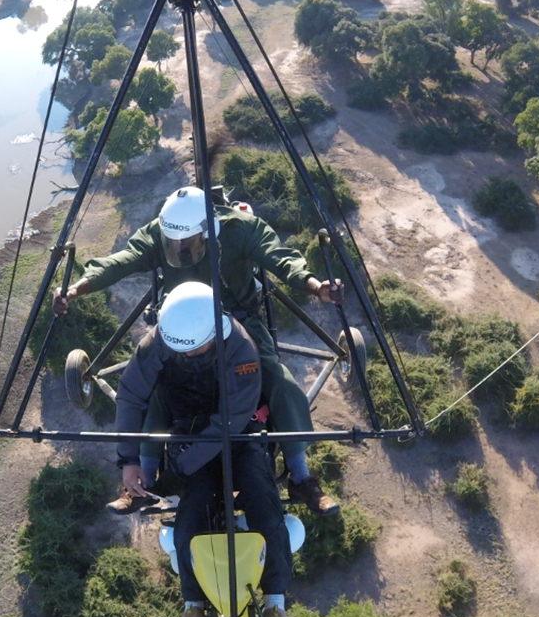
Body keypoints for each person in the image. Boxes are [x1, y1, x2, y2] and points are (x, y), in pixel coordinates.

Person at [56, 186, 341, 517]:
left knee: (278, 380)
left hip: (237, 322)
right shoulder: (163, 233)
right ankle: (142, 482)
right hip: (179, 326)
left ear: (210, 232)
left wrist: (315, 286)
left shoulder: (240, 229)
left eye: (186, 243)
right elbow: (123, 260)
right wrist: (77, 288)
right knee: (156, 387)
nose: (178, 248)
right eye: (172, 243)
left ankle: (301, 475)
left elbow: (281, 258)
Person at [115, 281, 292, 617]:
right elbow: (130, 396)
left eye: (198, 350)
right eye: (184, 352)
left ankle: (275, 604)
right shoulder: (159, 342)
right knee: (191, 512)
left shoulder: (241, 349)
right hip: (189, 433)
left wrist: (179, 469)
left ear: (215, 333)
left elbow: (230, 421)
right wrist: (128, 459)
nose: (191, 357)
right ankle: (192, 602)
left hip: (238, 433)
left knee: (262, 497)